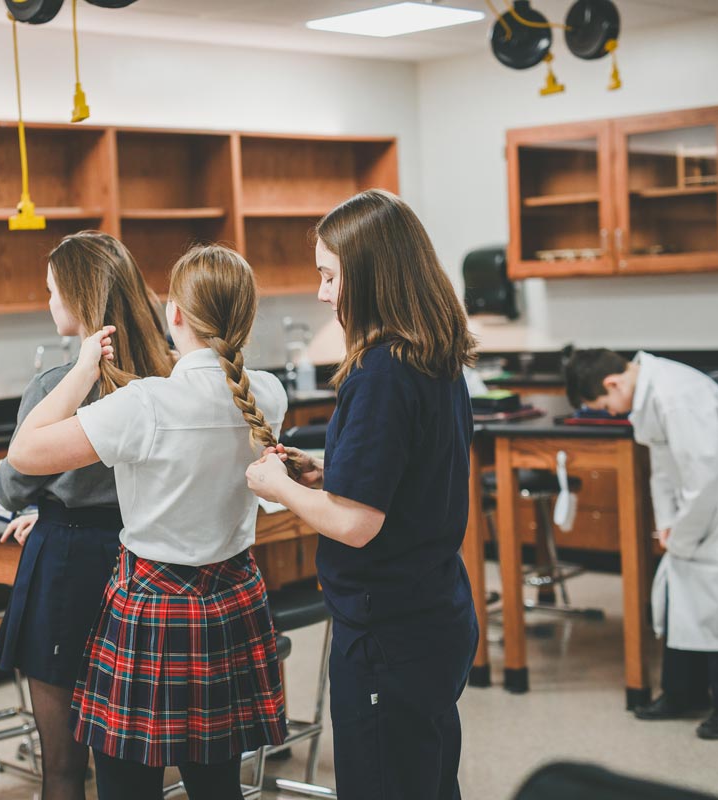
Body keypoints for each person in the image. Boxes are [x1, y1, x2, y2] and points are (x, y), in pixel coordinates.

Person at [6, 244, 288, 800]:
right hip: (231, 602)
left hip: (153, 609)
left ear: (175, 314)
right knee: (216, 784)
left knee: (126, 786)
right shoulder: (268, 395)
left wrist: (84, 367)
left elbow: (23, 455)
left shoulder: (145, 405)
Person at [246, 188, 479, 800]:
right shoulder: (432, 355)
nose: (322, 293)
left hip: (389, 632)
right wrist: (329, 473)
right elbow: (409, 476)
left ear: (371, 274)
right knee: (427, 780)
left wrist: (276, 486)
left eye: (329, 276)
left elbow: (354, 526)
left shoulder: (380, 371)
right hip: (434, 612)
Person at [0, 231, 173, 800]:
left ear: (76, 297)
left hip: (67, 566)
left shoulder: (55, 389)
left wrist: (46, 512)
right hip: (142, 563)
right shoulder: (170, 375)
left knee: (64, 768)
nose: (47, 302)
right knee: (134, 764)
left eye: (51, 291)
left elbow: (11, 483)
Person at [564, 348, 718, 739]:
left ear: (613, 382)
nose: (608, 412)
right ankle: (683, 694)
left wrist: (684, 532)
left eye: (604, 403)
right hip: (701, 504)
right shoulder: (647, 393)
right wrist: (668, 525)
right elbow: (661, 466)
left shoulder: (678, 398)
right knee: (683, 593)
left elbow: (704, 479)